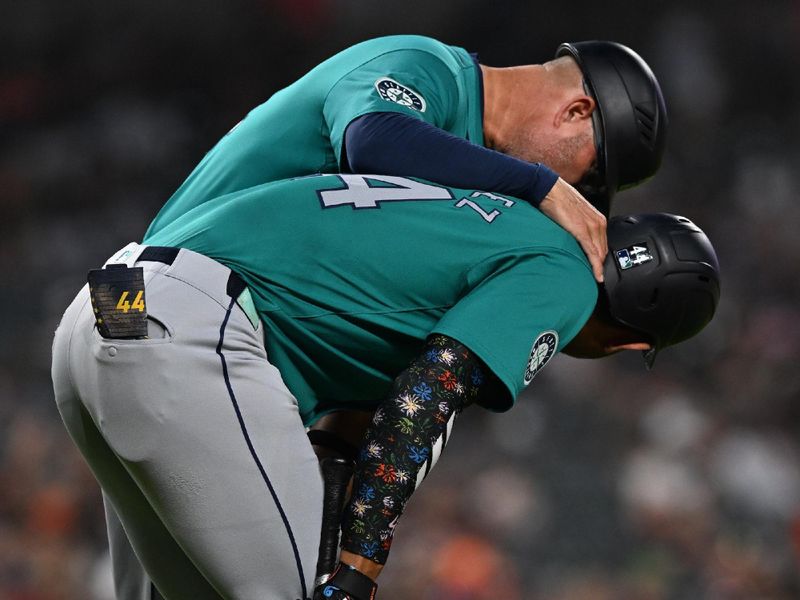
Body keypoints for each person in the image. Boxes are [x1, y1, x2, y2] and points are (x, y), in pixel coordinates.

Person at [51, 173, 718, 600]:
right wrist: (359, 567)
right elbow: (427, 394)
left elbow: (354, 421)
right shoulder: (566, 271)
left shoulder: (485, 217)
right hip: (187, 322)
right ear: (636, 339)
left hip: (111, 300)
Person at [144, 35, 668, 283]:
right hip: (161, 291)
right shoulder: (426, 64)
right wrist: (542, 186)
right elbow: (375, 141)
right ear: (577, 111)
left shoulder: (463, 160)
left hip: (145, 311)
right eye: (591, 172)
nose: (574, 185)